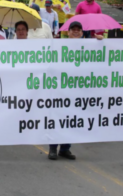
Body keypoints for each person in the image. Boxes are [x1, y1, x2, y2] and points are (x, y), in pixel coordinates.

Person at [48, 21, 102, 161]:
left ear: (82, 32)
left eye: (78, 29)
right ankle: (53, 148)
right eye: (73, 29)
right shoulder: (59, 45)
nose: (76, 31)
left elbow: (102, 54)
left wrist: (100, 42)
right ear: (68, 32)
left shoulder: (89, 46)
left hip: (79, 89)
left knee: (72, 119)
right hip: (61, 88)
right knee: (58, 118)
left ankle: (65, 148)